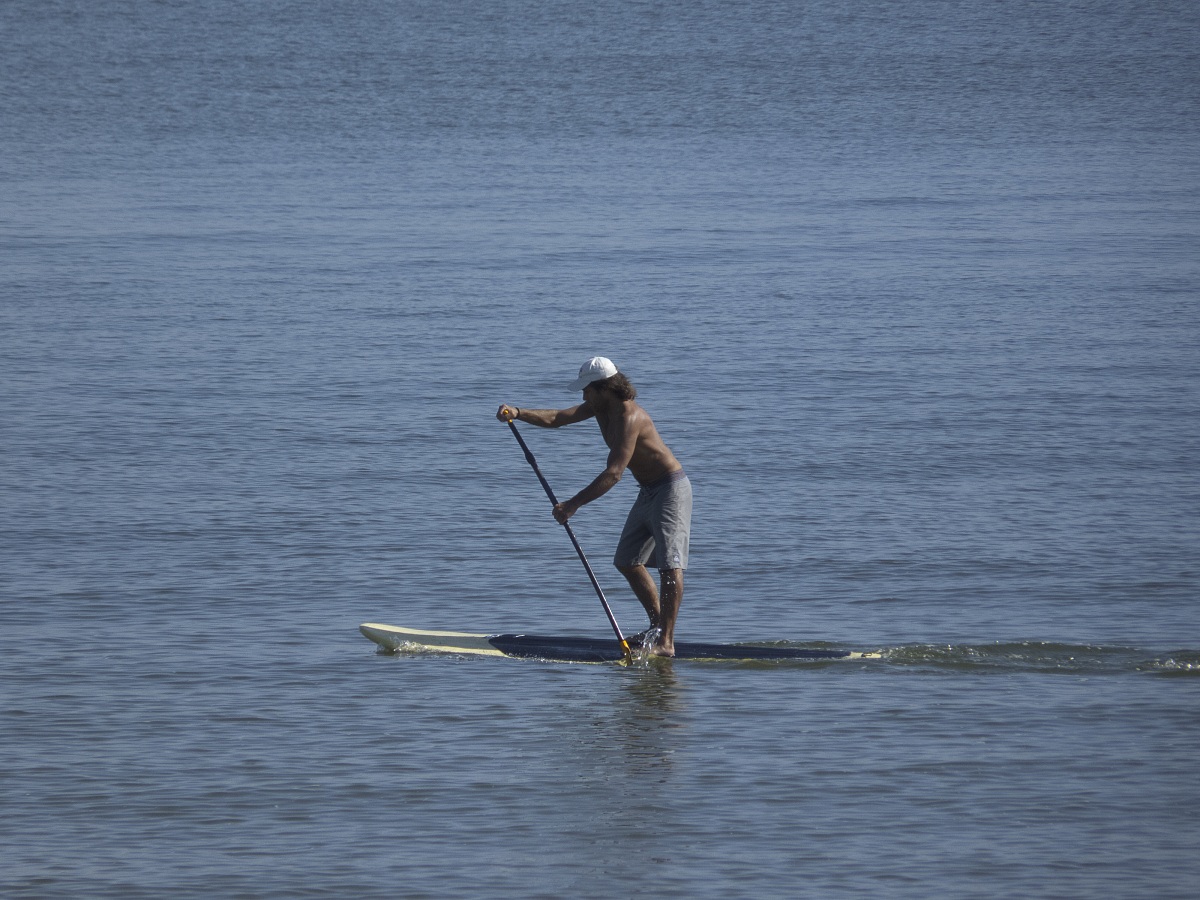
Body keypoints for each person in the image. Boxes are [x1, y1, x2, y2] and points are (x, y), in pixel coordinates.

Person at [497, 357, 692, 657]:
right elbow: (558, 418)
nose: (583, 396)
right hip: (647, 490)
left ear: (605, 388)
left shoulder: (631, 417)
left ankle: (666, 641)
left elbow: (614, 473)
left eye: (587, 390)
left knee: (670, 565)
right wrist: (519, 413)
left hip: (670, 490)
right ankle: (656, 628)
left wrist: (572, 505)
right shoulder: (600, 408)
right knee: (627, 560)